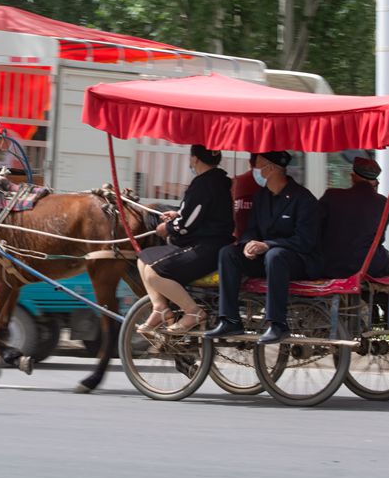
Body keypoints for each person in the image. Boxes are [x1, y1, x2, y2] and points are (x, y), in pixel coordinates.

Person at [205, 151, 324, 345]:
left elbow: (305, 241)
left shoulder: (303, 199)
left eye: (258, 167)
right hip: (268, 258)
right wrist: (248, 245)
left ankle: (277, 324)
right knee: (228, 253)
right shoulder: (262, 197)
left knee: (275, 255)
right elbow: (252, 229)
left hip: (298, 260)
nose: (255, 172)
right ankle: (230, 319)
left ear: (270, 169)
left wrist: (268, 245)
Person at [134, 144, 235, 335]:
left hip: (206, 248)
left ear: (195, 159)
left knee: (153, 272)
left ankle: (193, 312)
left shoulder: (204, 184)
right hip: (209, 245)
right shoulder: (217, 181)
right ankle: (160, 309)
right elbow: (197, 213)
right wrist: (177, 214)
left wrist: (167, 228)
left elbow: (186, 225)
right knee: (142, 258)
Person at [318, 156, 389, 278]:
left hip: (332, 267)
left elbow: (316, 229)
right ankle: (386, 294)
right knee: (384, 255)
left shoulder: (332, 196)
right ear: (375, 183)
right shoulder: (385, 204)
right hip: (369, 268)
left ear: (353, 177)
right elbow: (378, 239)